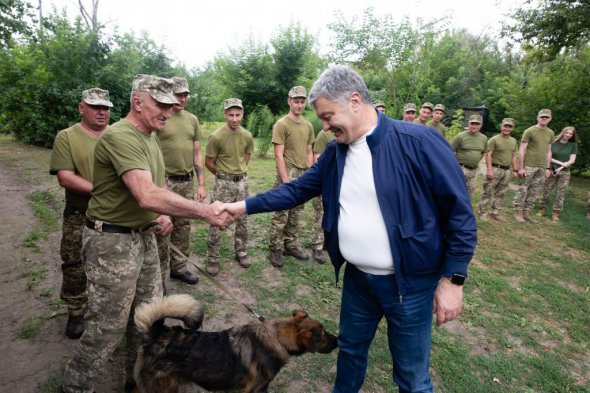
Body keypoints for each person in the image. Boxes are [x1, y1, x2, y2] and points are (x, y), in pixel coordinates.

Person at [220, 65, 477, 393]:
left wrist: (454, 279)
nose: (324, 126)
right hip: (358, 282)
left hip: (410, 285)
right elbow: (297, 190)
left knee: (412, 377)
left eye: (328, 117)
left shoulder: (419, 141)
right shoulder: (335, 153)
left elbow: (460, 214)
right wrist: (241, 206)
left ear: (355, 101)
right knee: (351, 351)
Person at [61, 75, 233, 393]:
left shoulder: (150, 135)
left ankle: (137, 381)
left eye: (171, 105)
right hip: (112, 242)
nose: (168, 111)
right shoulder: (119, 136)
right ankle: (75, 386)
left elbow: (157, 185)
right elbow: (145, 194)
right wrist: (206, 211)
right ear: (137, 103)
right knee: (108, 327)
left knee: (147, 318)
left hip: (142, 236)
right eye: (161, 104)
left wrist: (164, 213)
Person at [49, 88, 113, 339]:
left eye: (105, 107)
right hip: (80, 213)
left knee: (110, 264)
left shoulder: (118, 135)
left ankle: (106, 308)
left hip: (113, 215)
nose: (102, 112)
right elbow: (65, 177)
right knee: (74, 263)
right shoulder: (67, 137)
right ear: (81, 108)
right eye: (95, 106)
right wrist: (104, 191)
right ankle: (76, 310)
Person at [155, 76, 204, 286]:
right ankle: (158, 275)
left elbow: (197, 151)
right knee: (163, 227)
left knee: (183, 227)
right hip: (165, 180)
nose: (182, 98)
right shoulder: (160, 117)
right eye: (178, 94)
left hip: (187, 181)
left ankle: (179, 268)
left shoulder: (192, 119)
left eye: (185, 94)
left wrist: (201, 183)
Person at [204, 98, 254, 275]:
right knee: (216, 218)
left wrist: (237, 172)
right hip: (223, 183)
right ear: (225, 114)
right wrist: (223, 175)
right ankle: (212, 258)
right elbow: (209, 162)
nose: (234, 119)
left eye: (238, 114)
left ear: (242, 114)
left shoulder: (247, 135)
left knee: (243, 219)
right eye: (231, 115)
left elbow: (246, 157)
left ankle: (241, 252)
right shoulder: (216, 136)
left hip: (242, 183)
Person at [267, 85, 315, 268]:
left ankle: (290, 244)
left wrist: (310, 174)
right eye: (296, 101)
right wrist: (285, 180)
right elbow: (278, 154)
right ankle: (275, 248)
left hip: (303, 174)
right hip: (287, 173)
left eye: (303, 102)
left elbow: (309, 150)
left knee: (296, 213)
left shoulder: (308, 125)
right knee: (281, 214)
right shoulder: (282, 124)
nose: (300, 105)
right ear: (289, 102)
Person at [513, 109, 555, 223]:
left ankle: (526, 213)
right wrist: (520, 167)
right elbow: (521, 150)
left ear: (550, 119)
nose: (544, 118)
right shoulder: (529, 131)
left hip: (542, 166)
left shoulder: (551, 133)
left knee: (534, 191)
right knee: (523, 189)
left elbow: (549, 151)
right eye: (542, 117)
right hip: (529, 165)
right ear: (537, 118)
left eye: (546, 117)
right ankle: (517, 212)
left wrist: (547, 167)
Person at [477, 118, 518, 221]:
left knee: (501, 193)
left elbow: (513, 156)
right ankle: (482, 212)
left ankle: (495, 213)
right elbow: (488, 155)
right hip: (495, 168)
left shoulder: (513, 141)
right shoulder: (494, 139)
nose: (507, 128)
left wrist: (515, 170)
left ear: (512, 128)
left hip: (507, 170)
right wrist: (489, 170)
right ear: (501, 126)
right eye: (505, 126)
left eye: (510, 127)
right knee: (487, 191)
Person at [537, 126, 578, 221]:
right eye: (566, 133)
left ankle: (556, 212)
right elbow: (548, 156)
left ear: (572, 135)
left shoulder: (573, 145)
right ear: (563, 132)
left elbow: (572, 160)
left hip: (565, 172)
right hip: (552, 170)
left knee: (561, 193)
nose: (568, 135)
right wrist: (560, 164)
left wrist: (562, 167)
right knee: (546, 190)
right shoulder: (553, 142)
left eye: (570, 134)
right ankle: (541, 209)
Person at [310, 128, 335, 263]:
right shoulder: (324, 135)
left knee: (333, 214)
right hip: (325, 181)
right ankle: (317, 246)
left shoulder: (344, 132)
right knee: (320, 214)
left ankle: (327, 242)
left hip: (338, 181)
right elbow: (317, 158)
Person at [451, 114, 488, 200]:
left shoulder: (484, 138)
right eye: (472, 123)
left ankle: (465, 211)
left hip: (474, 170)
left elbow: (483, 152)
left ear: (481, 125)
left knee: (470, 192)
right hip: (460, 168)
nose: (474, 126)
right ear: (468, 124)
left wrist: (474, 160)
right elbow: (450, 151)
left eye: (477, 124)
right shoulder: (460, 136)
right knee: (456, 191)